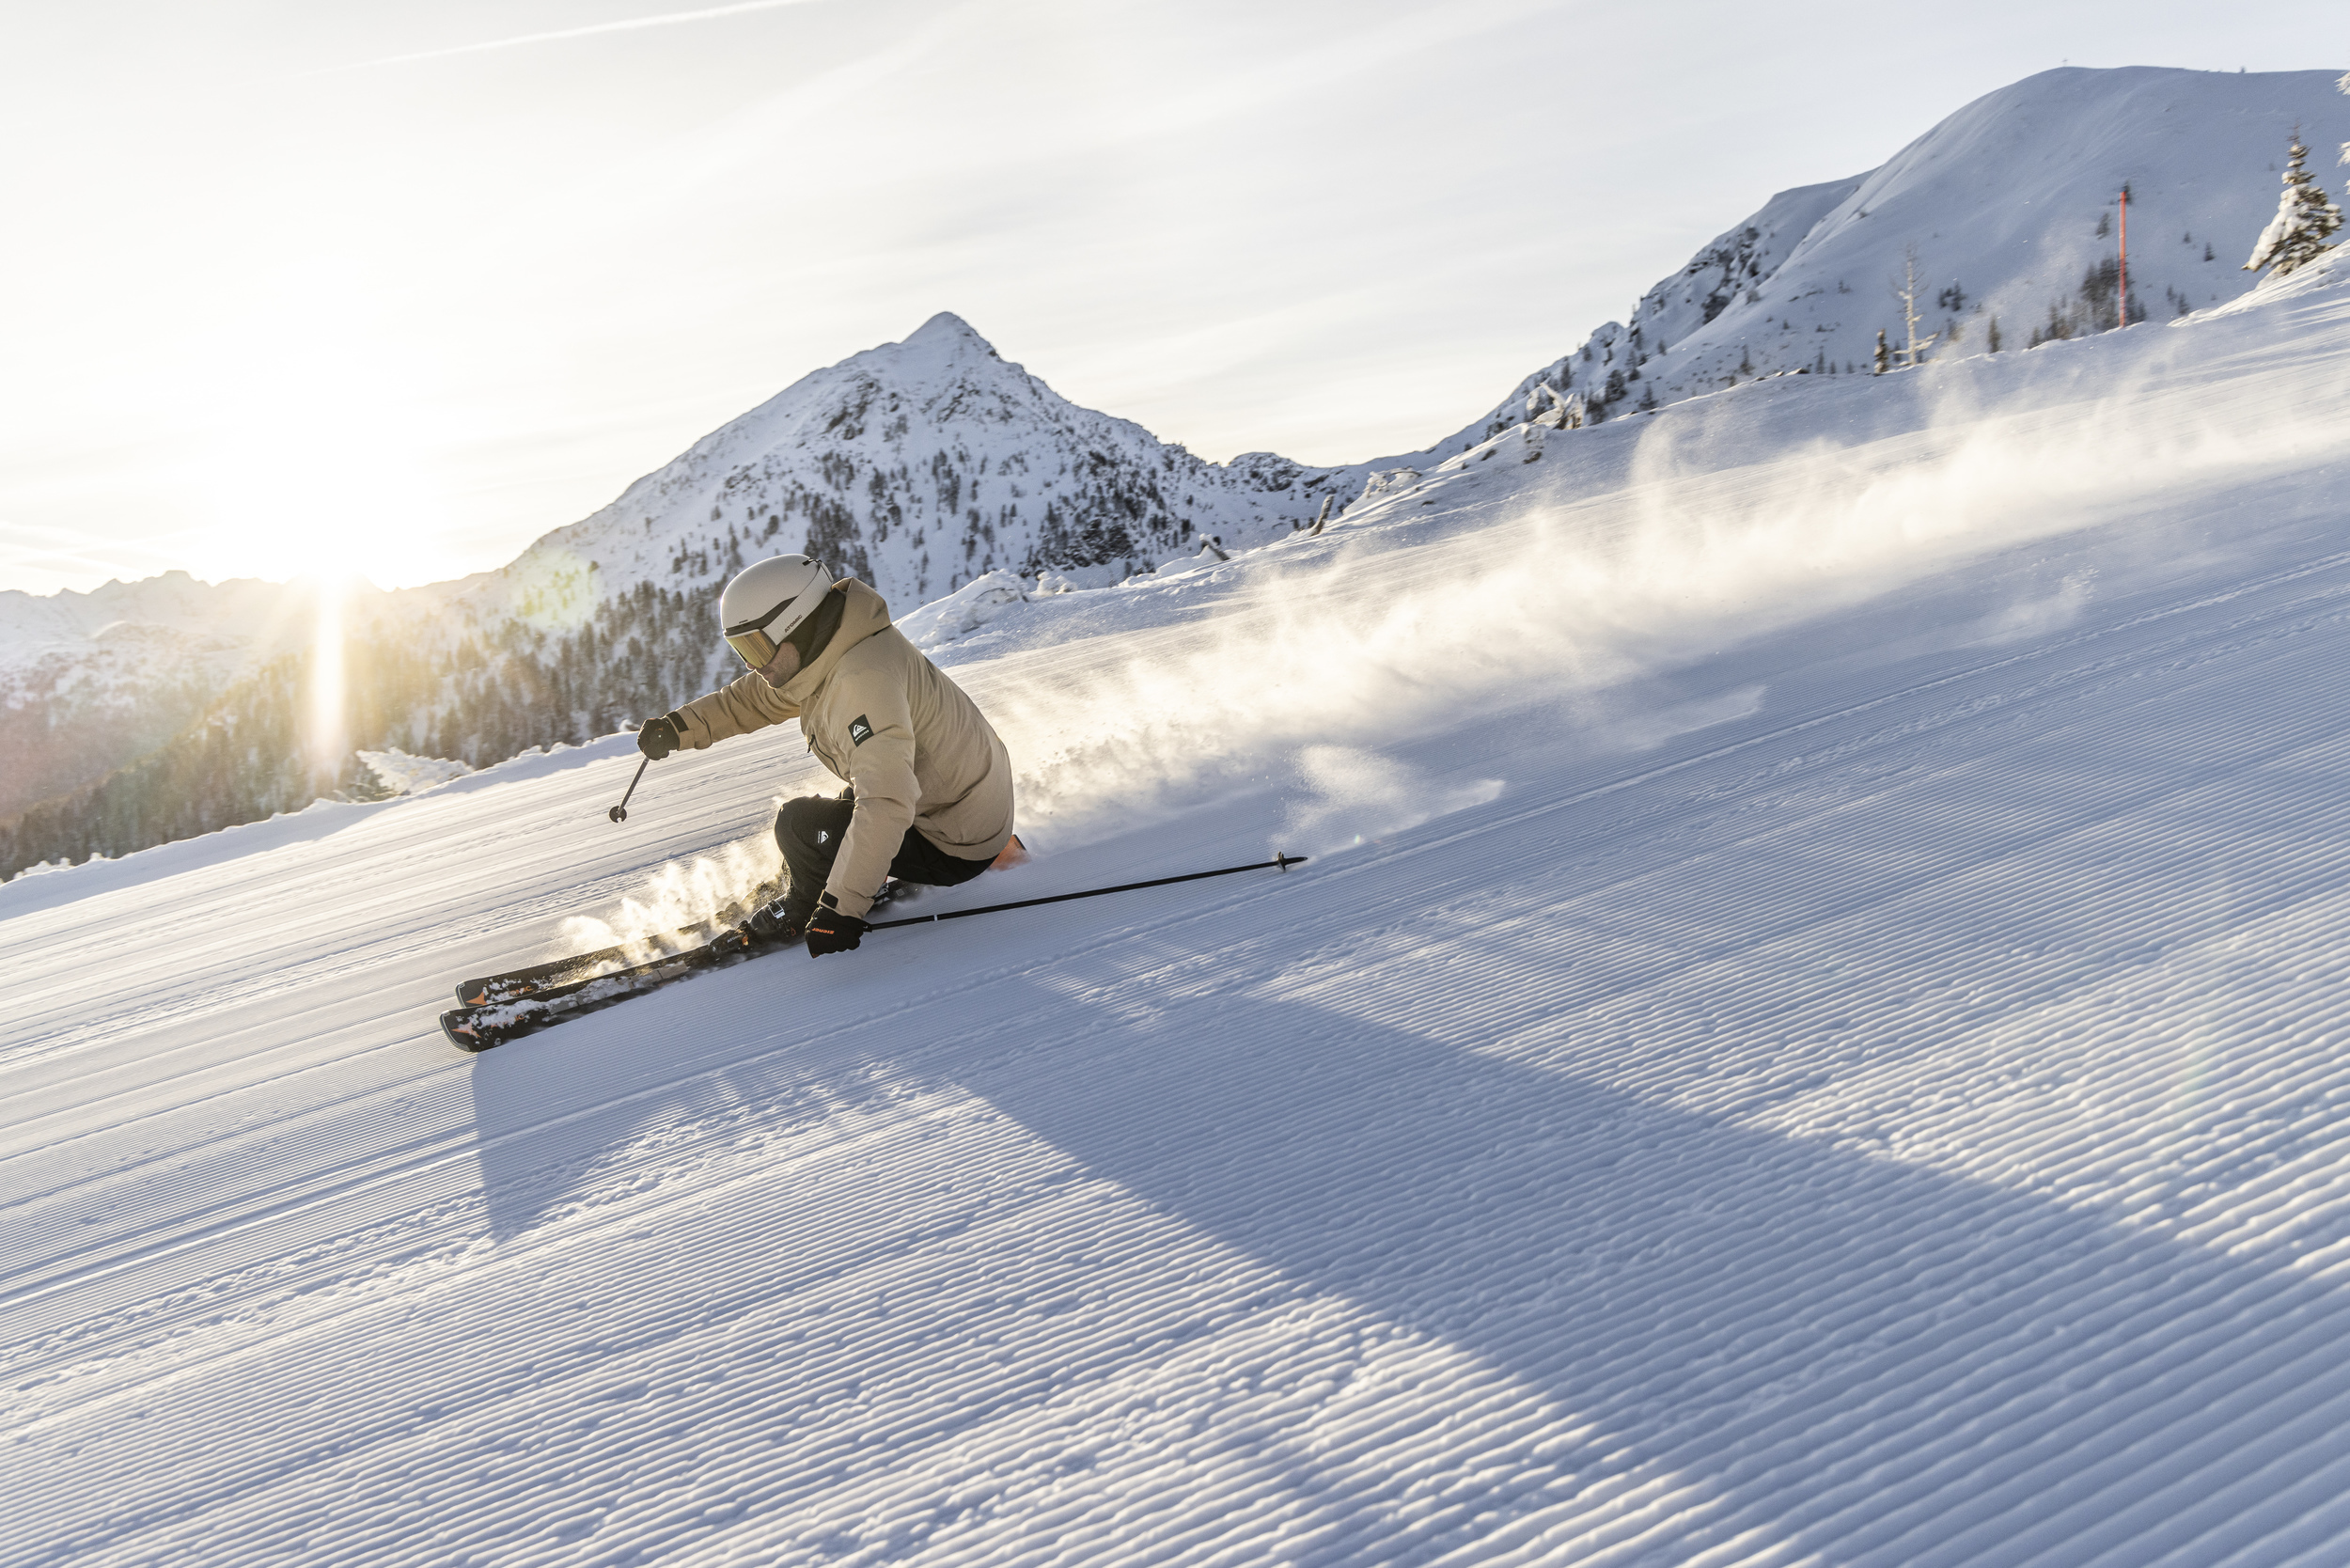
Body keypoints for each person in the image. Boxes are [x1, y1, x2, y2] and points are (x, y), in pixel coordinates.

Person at [634, 555, 1018, 956]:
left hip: (956, 840)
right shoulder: (828, 651)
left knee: (798, 824)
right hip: (962, 803)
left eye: (755, 645)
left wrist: (842, 911)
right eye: (740, 648)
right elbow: (753, 700)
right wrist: (679, 727)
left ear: (794, 625)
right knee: (835, 813)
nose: (751, 663)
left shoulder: (862, 683)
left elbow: (887, 803)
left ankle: (803, 906)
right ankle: (811, 875)